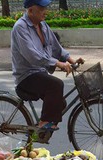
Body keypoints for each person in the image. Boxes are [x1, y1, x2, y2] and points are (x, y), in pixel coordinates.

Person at [11, 0, 84, 131]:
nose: (45, 11)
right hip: (26, 77)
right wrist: (58, 63)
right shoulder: (20, 28)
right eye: (41, 8)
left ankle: (43, 129)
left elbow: (56, 47)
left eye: (45, 7)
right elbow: (33, 56)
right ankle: (43, 124)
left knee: (60, 103)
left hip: (40, 73)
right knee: (56, 85)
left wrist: (72, 60)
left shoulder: (43, 25)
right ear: (31, 10)